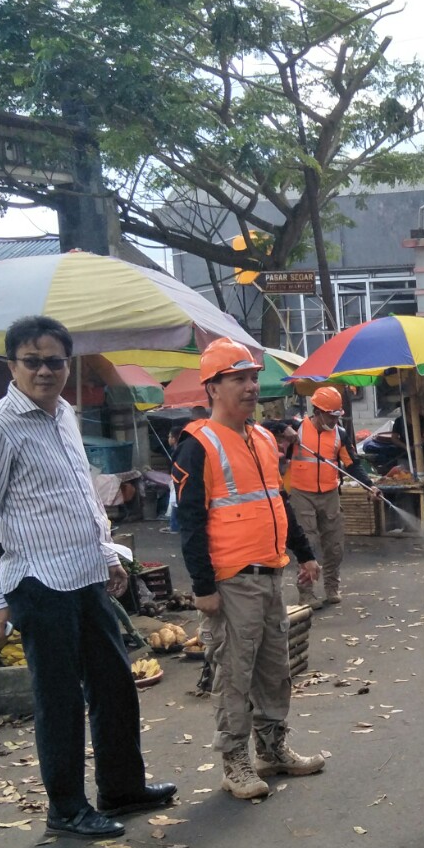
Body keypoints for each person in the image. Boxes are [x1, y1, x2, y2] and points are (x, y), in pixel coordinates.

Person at [0, 316, 175, 840]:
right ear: (11, 365)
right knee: (59, 701)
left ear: (67, 364)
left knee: (114, 685)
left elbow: (82, 494)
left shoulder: (64, 415)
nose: (44, 371)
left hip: (83, 576)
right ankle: (66, 807)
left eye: (55, 361)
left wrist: (107, 556)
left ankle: (121, 787)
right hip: (36, 583)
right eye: (32, 361)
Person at [173, 338, 326, 800]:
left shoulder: (261, 438)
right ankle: (235, 761)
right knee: (233, 674)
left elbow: (276, 501)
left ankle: (273, 748)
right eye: (238, 378)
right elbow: (191, 521)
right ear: (212, 387)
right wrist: (203, 586)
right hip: (230, 579)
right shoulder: (197, 445)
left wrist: (304, 553)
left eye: (253, 377)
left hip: (270, 573)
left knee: (275, 668)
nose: (250, 386)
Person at [287, 386, 377, 608]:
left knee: (334, 545)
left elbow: (352, 464)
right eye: (331, 415)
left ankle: (331, 587)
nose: (334, 420)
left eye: (337, 416)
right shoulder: (296, 429)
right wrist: (282, 430)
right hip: (301, 494)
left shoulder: (340, 434)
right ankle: (306, 593)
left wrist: (369, 485)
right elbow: (270, 437)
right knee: (306, 544)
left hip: (329, 494)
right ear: (317, 411)